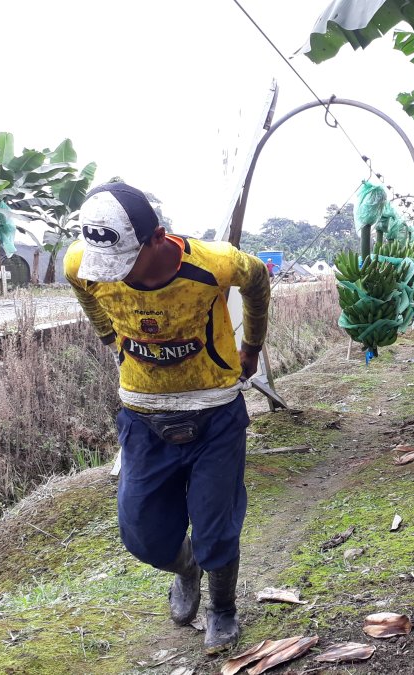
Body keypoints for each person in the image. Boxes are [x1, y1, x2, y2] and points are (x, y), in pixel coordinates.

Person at [64, 182, 270, 652]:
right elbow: (84, 290)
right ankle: (186, 568)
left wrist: (252, 345)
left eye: (127, 262)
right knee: (142, 534)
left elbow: (257, 279)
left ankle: (222, 608)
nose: (115, 275)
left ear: (157, 238)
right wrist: (110, 341)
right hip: (142, 415)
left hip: (215, 411)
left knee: (216, 525)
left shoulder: (214, 263)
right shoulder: (83, 262)